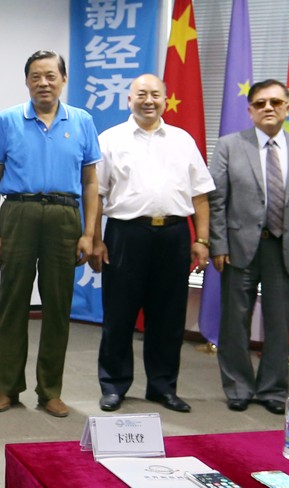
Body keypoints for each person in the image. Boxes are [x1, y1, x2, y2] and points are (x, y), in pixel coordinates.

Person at [0, 50, 99, 417]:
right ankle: (8, 388)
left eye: (51, 75)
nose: (43, 83)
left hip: (65, 216)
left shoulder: (81, 121)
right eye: (35, 76)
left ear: (63, 79)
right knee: (13, 304)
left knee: (58, 306)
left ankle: (50, 391)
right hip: (19, 212)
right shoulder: (8, 120)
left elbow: (91, 182)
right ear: (26, 81)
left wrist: (88, 233)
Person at [91, 74, 214, 414]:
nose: (149, 100)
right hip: (126, 234)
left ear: (164, 99)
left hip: (174, 235)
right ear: (129, 100)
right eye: (141, 94)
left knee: (168, 317)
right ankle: (114, 385)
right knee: (119, 314)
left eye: (155, 95)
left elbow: (200, 196)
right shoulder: (110, 139)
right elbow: (96, 195)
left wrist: (202, 239)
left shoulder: (182, 140)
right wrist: (96, 240)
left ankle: (163, 387)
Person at [209, 79, 289, 415]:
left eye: (275, 102)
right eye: (260, 103)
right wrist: (218, 244)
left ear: (288, 108)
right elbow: (217, 200)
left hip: (285, 250)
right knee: (234, 323)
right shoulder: (229, 145)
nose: (268, 108)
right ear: (250, 111)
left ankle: (273, 389)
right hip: (238, 247)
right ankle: (238, 387)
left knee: (279, 324)